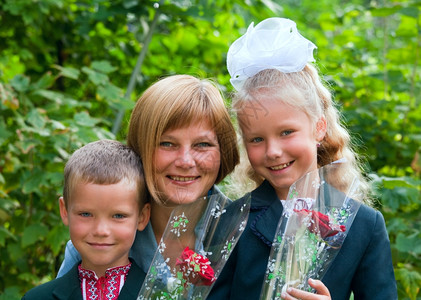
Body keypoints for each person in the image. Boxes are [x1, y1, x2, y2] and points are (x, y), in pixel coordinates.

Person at [209, 18, 397, 300]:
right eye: (257, 139)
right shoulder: (230, 220)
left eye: (286, 132)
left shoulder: (363, 225)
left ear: (319, 128)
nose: (273, 151)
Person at [56, 75, 240, 284]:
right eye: (167, 144)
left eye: (203, 145)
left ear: (223, 151)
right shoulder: (100, 237)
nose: (186, 161)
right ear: (141, 148)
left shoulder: (243, 229)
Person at [22, 139, 151, 300]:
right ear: (65, 211)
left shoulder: (159, 294)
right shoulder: (37, 298)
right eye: (86, 214)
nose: (100, 231)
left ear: (142, 217)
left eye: (118, 216)